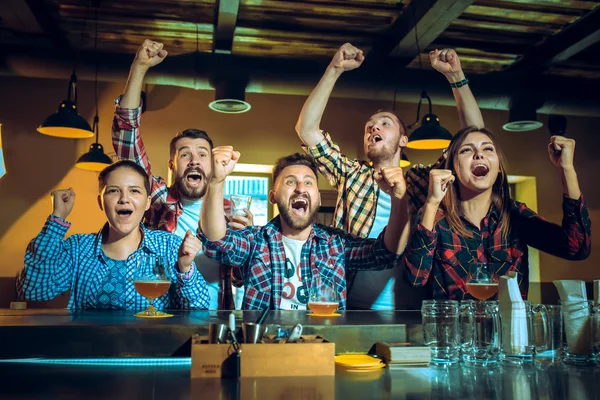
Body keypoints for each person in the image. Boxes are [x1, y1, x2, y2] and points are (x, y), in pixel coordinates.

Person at [296, 44, 484, 310]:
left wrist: (456, 78)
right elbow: (306, 129)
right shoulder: (352, 175)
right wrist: (334, 69)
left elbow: (474, 137)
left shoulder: (422, 181)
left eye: (385, 122)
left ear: (403, 140)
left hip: (415, 312)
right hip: (350, 309)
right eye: (369, 126)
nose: (374, 126)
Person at [112, 40, 252, 310]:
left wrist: (243, 248)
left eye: (202, 154)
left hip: (218, 315)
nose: (194, 160)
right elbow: (126, 141)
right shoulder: (158, 199)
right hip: (162, 311)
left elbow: (239, 280)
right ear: (173, 164)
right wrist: (139, 68)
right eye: (185, 154)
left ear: (211, 165)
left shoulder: (229, 211)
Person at [198, 148, 411, 310]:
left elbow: (386, 254)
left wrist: (399, 199)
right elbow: (216, 243)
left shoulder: (335, 244)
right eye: (291, 182)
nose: (300, 188)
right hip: (264, 354)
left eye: (308, 183)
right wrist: (216, 182)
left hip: (324, 352)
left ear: (317, 197)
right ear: (273, 195)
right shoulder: (256, 240)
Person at [404, 127, 592, 299]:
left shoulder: (515, 214)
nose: (479, 155)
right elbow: (415, 278)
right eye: (466, 150)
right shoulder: (435, 217)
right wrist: (431, 203)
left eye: (488, 149)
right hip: (456, 334)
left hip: (508, 333)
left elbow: (577, 248)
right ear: (452, 168)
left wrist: (566, 169)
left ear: (498, 168)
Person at [16, 160, 210, 310]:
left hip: (151, 356)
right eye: (113, 191)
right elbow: (33, 290)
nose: (124, 199)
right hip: (91, 355)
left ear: (148, 202)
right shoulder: (77, 248)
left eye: (134, 191)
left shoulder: (169, 246)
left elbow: (199, 307)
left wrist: (185, 268)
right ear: (101, 202)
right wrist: (57, 218)